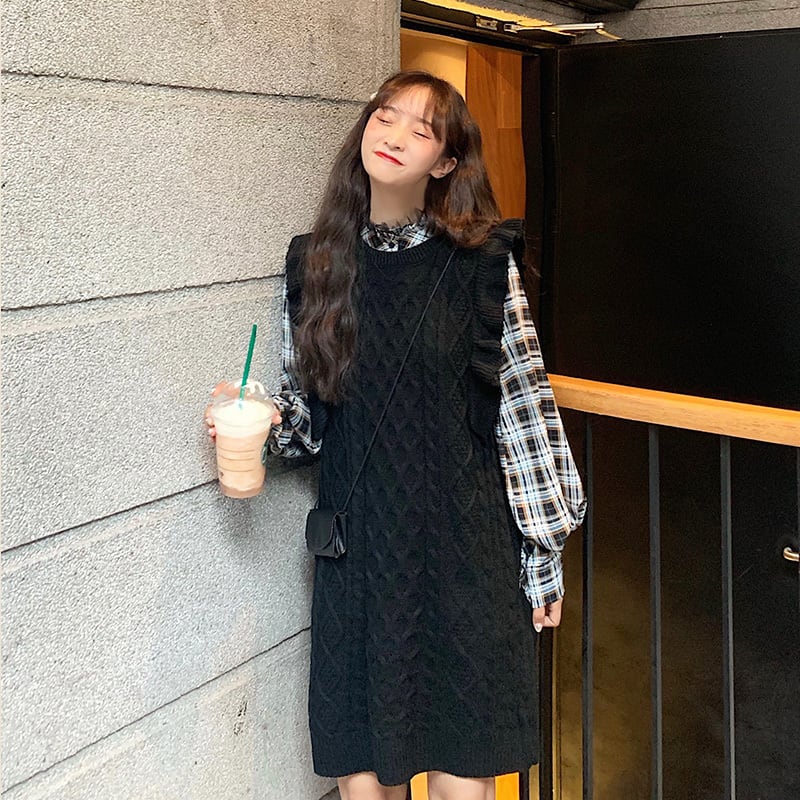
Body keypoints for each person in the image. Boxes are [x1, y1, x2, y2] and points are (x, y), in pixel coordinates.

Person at [208, 70, 585, 800]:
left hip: (467, 552)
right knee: (363, 778)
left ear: (445, 162)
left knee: (461, 778)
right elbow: (310, 420)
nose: (396, 135)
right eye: (386, 116)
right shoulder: (316, 263)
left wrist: (544, 555)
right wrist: (260, 416)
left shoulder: (482, 262)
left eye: (423, 128)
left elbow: (523, 407)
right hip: (360, 554)